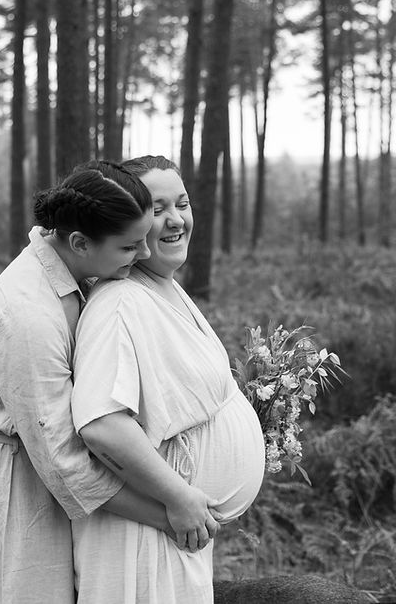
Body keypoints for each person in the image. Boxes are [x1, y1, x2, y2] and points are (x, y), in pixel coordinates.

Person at [0, 161, 218, 604]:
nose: (144, 254)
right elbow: (63, 459)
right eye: (130, 247)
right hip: (14, 488)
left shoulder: (71, 270)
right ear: (78, 242)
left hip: (45, 473)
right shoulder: (28, 316)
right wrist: (170, 511)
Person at [70, 155, 266, 603]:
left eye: (182, 203)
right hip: (142, 534)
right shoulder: (118, 303)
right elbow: (101, 424)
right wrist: (178, 497)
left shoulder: (164, 286)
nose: (175, 219)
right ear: (131, 222)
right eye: (157, 209)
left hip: (178, 528)